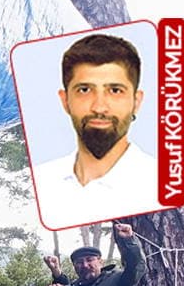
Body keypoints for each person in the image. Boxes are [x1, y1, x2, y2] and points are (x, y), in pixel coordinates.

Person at [31, 34, 159, 229]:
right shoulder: (42, 182)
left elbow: (136, 261)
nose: (99, 107)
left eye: (115, 90)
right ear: (65, 101)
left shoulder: (155, 183)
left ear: (136, 101)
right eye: (84, 90)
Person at [59, 224, 146, 286]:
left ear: (101, 262)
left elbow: (136, 266)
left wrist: (129, 240)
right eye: (79, 262)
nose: (85, 265)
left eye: (90, 260)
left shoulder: (118, 280)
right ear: (74, 266)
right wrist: (58, 275)